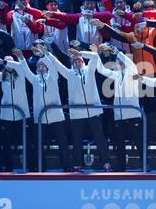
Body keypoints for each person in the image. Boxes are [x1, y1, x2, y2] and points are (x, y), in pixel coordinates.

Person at [42, 44, 113, 172]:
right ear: (72, 63)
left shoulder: (89, 70)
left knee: (100, 138)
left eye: (79, 60)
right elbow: (57, 64)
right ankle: (78, 164)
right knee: (77, 139)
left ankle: (106, 163)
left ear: (82, 61)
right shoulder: (69, 74)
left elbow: (95, 56)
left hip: (93, 110)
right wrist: (47, 53)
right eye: (75, 61)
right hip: (77, 112)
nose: (78, 62)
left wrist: (80, 53)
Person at [11, 47, 70, 172]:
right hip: (40, 118)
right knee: (38, 144)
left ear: (47, 68)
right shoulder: (34, 80)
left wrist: (43, 56)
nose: (41, 68)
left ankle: (66, 166)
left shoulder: (53, 76)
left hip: (56, 116)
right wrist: (21, 58)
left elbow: (53, 65)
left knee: (62, 142)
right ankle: (40, 167)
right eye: (39, 66)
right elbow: (26, 71)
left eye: (43, 66)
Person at [95, 43, 145, 172]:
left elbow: (130, 63)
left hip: (133, 113)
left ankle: (145, 164)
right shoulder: (116, 75)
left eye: (121, 62)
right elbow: (101, 69)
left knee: (139, 141)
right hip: (119, 115)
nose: (119, 65)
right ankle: (121, 165)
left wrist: (117, 52)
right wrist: (96, 55)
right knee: (119, 143)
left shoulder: (132, 72)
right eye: (118, 63)